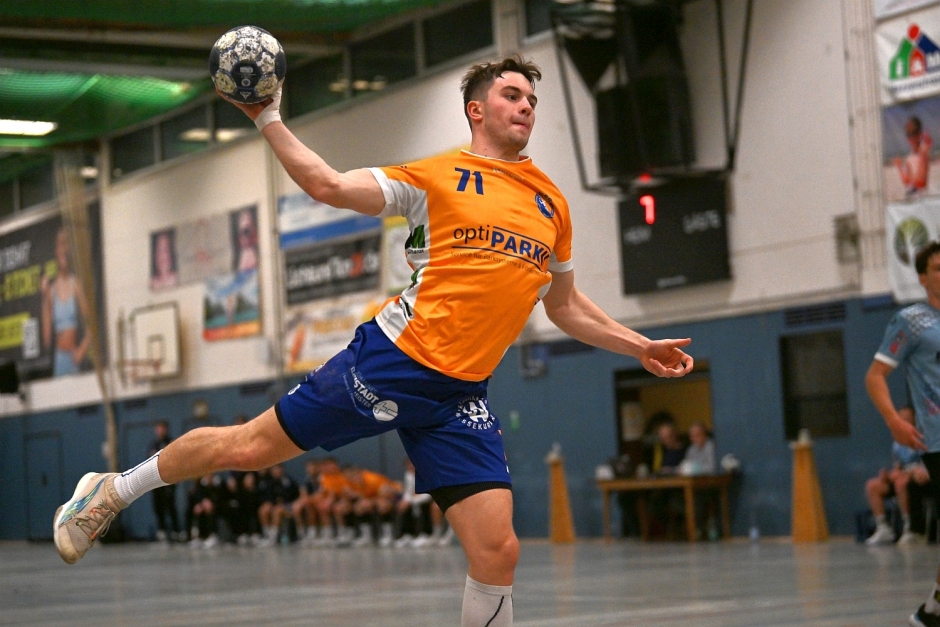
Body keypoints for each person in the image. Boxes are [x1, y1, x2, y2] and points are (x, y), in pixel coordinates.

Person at [53, 56, 693, 625]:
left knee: (499, 549)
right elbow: (329, 185)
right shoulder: (436, 177)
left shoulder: (552, 201)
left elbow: (565, 305)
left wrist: (639, 346)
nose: (525, 105)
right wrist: (267, 115)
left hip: (460, 393)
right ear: (477, 109)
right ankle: (112, 490)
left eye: (532, 99)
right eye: (511, 94)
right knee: (249, 449)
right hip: (392, 361)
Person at [864, 241, 940, 627]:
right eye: (938, 268)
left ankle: (933, 609)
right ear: (923, 277)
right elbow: (875, 376)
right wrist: (895, 420)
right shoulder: (911, 322)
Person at [864, 408, 931, 546]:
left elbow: (925, 469)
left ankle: (909, 528)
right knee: (873, 485)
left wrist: (907, 473)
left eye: (907, 418)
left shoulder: (926, 439)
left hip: (918, 478)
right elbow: (898, 467)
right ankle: (883, 527)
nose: (903, 421)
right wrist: (888, 475)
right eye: (901, 418)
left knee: (901, 482)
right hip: (902, 476)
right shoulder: (898, 443)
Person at [41, 227, 91, 377]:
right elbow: (47, 339)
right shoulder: (51, 290)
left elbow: (92, 325)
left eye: (67, 244)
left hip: (74, 358)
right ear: (56, 250)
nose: (64, 249)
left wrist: (82, 349)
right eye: (60, 244)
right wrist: (44, 298)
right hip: (59, 360)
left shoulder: (76, 284)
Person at [148, 421, 181, 542]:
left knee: (171, 505)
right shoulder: (153, 444)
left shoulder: (170, 443)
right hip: (156, 480)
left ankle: (176, 531)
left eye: (162, 428)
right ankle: (161, 530)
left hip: (169, 479)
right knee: (158, 506)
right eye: (158, 428)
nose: (160, 431)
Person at [894, 116, 931, 197]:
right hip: (912, 193)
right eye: (909, 134)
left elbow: (926, 148)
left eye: (914, 133)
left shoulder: (922, 150)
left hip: (921, 194)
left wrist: (927, 141)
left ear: (920, 133)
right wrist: (899, 167)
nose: (912, 137)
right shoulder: (909, 158)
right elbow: (907, 181)